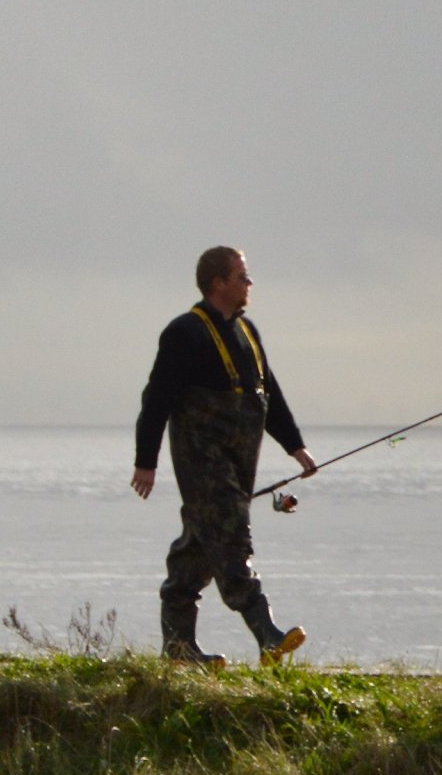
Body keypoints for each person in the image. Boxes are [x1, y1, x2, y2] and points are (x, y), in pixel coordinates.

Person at [132, 246, 320, 667]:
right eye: (242, 277)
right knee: (232, 535)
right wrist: (146, 461)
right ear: (218, 283)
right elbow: (156, 400)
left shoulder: (248, 332)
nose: (249, 284)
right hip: (202, 461)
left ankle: (178, 651)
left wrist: (296, 447)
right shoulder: (185, 333)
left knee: (196, 550)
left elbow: (270, 396)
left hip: (241, 461)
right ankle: (266, 631)